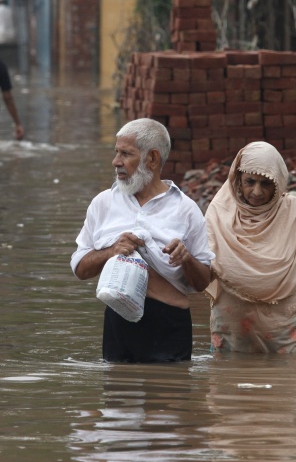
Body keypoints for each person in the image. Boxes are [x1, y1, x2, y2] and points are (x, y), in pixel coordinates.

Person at [70, 118, 214, 363]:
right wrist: (111, 251)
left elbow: (203, 283)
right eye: (116, 152)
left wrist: (186, 258)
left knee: (170, 395)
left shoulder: (186, 209)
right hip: (118, 323)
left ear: (153, 159)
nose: (116, 162)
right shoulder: (103, 203)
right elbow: (79, 269)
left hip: (170, 324)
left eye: (126, 154)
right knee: (119, 393)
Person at [204, 141, 296, 354]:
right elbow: (203, 270)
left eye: (266, 183)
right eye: (250, 181)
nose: (256, 191)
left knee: (289, 385)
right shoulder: (219, 213)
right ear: (238, 180)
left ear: (279, 183)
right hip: (231, 327)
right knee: (226, 383)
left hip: (286, 327)